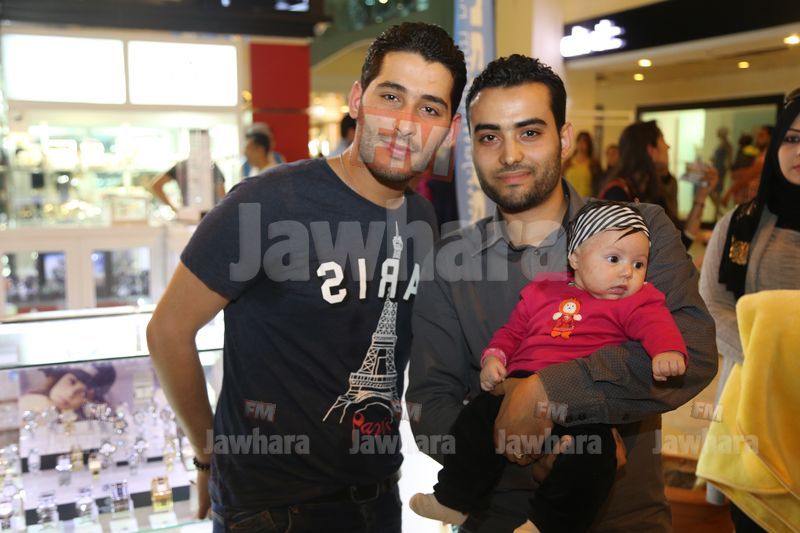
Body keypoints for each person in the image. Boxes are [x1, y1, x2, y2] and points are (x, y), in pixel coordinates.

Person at [146, 22, 465, 533]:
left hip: (379, 497)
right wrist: (207, 455)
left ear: (449, 128)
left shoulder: (421, 220)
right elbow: (167, 331)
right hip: (271, 510)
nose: (406, 125)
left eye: (429, 109)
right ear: (357, 99)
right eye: (391, 97)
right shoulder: (267, 202)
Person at [406, 54, 717, 533]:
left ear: (565, 138)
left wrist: (550, 389)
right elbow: (430, 405)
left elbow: (691, 352)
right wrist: (536, 447)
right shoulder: (450, 259)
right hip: (494, 517)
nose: (509, 155)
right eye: (489, 137)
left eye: (529, 132)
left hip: (623, 519)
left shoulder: (638, 231)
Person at [410, 201, 687, 531]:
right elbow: (513, 331)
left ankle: (546, 524)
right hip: (519, 384)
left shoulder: (636, 300)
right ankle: (455, 499)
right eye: (614, 259)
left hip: (586, 400)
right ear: (576, 258)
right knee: (475, 420)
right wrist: (495, 357)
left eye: (639, 264)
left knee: (595, 457)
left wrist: (667, 351)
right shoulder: (542, 291)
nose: (628, 272)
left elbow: (657, 324)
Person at [699, 88, 800, 532]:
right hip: (754, 400)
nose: (799, 151)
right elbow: (712, 303)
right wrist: (769, 361)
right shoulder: (742, 223)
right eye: (792, 138)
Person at [599, 120, 718, 249]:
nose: (668, 146)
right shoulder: (618, 193)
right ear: (651, 150)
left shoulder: (651, 192)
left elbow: (680, 243)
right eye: (662, 140)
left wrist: (702, 195)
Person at [19, 363, 116, 415]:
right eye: (71, 381)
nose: (70, 394)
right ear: (59, 377)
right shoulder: (34, 402)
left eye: (84, 394)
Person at [150, 158, 226, 213]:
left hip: (198, 214)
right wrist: (174, 208)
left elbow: (222, 194)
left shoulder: (211, 166)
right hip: (198, 214)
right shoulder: (182, 166)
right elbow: (156, 185)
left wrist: (174, 209)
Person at [722, 125, 773, 206]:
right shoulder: (760, 154)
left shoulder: (769, 155)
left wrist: (729, 192)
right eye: (757, 136)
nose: (757, 139)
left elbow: (749, 175)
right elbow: (750, 171)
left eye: (762, 135)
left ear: (771, 138)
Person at [562, 131, 601, 198]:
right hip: (569, 199)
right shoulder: (568, 163)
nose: (581, 144)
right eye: (579, 141)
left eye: (584, 142)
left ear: (588, 145)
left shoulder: (594, 164)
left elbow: (598, 186)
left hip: (586, 200)